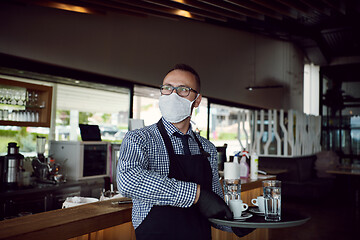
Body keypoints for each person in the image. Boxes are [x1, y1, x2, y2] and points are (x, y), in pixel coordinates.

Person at [117, 64, 253, 239]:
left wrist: (235, 223)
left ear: (197, 101)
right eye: (167, 88)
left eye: (182, 89)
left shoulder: (207, 148)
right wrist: (196, 194)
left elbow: (213, 206)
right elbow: (128, 180)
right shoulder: (139, 139)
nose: (173, 95)